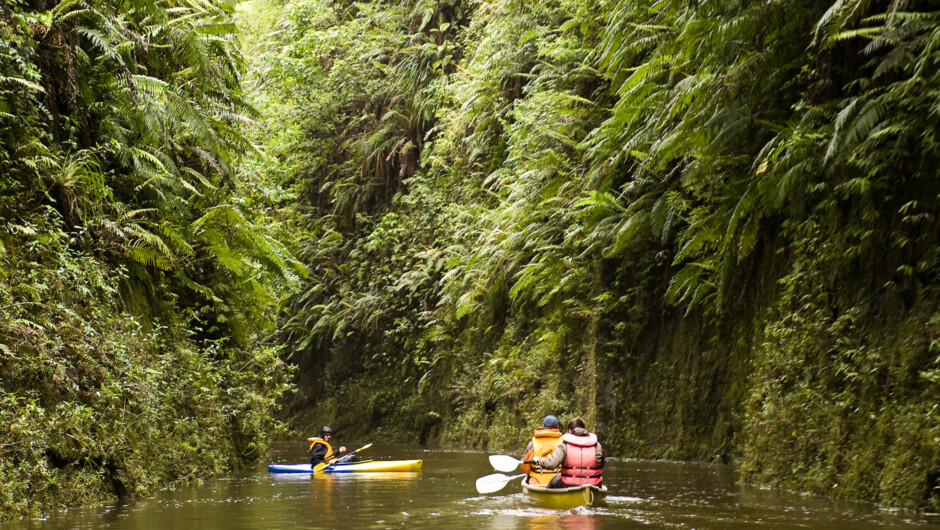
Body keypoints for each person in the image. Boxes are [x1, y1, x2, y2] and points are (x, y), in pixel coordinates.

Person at [532, 417, 604, 488]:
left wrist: (538, 460)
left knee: (555, 479)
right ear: (584, 429)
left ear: (569, 431)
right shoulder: (596, 445)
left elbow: (551, 464)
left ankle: (546, 499)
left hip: (568, 485)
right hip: (593, 485)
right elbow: (601, 464)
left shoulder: (564, 445)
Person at [521, 415, 564, 485]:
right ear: (557, 427)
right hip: (558, 483)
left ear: (543, 426)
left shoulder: (533, 443)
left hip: (537, 483)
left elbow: (524, 466)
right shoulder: (563, 441)